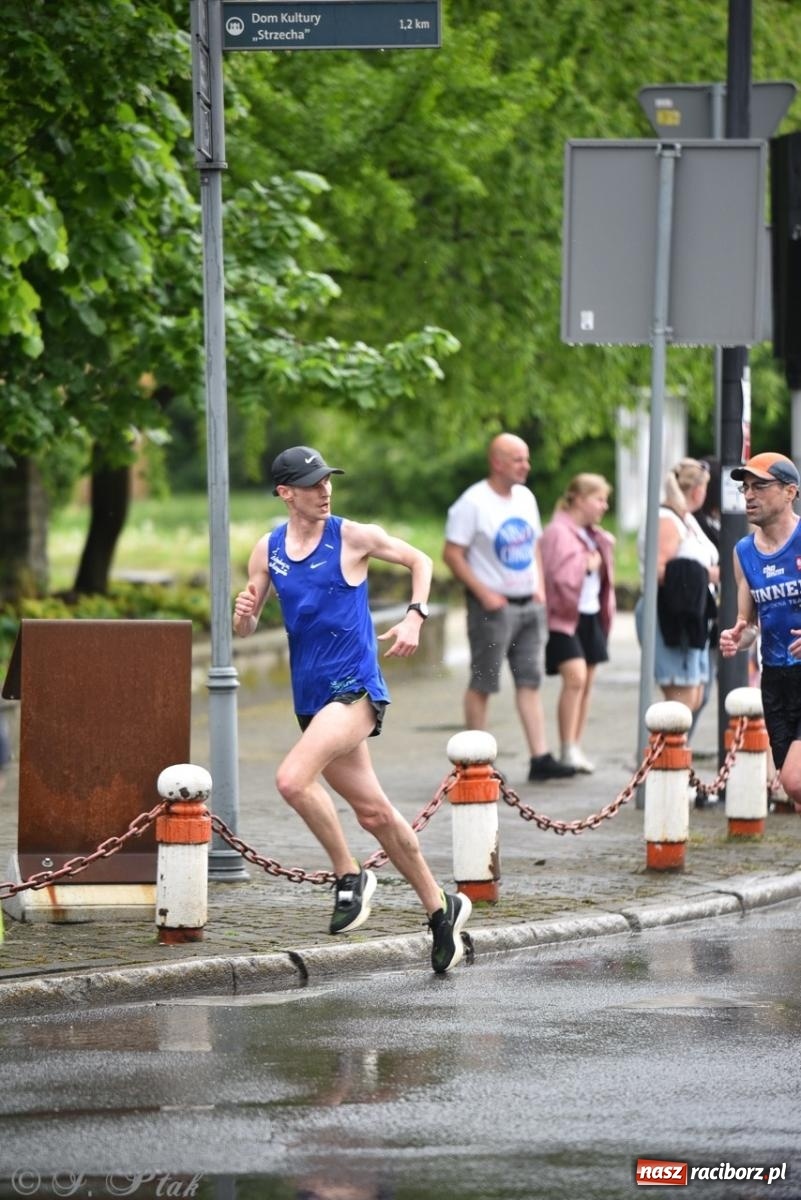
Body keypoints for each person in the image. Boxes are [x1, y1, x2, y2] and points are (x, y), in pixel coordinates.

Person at [233, 445, 472, 974]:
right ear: (285, 493)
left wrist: (414, 616)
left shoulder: (352, 535)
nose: (325, 490)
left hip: (355, 689)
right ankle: (442, 909)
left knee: (292, 780)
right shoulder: (267, 550)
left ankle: (350, 875)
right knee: (375, 813)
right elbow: (246, 625)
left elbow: (420, 559)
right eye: (313, 483)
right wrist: (244, 615)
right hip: (312, 699)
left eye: (328, 481)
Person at [443, 432, 575, 782]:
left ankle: (540, 758)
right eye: (518, 459)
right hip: (492, 610)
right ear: (497, 462)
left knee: (529, 680)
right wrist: (484, 593)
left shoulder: (525, 498)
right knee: (484, 681)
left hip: (529, 605)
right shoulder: (472, 503)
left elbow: (532, 546)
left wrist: (540, 588)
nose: (526, 466)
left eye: (526, 458)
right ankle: (474, 760)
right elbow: (451, 554)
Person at [719, 451, 801, 813]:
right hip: (777, 680)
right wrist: (740, 636)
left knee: (793, 780)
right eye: (745, 488)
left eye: (760, 486)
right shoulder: (744, 552)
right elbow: (749, 623)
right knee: (796, 791)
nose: (749, 495)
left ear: (790, 492)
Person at [539, 474, 616, 774]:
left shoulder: (590, 533)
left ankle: (575, 745)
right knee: (575, 678)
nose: (604, 506)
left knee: (587, 683)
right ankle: (566, 746)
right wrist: (585, 566)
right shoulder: (558, 531)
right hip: (564, 617)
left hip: (590, 614)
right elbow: (555, 574)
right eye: (599, 499)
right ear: (579, 499)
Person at [636, 457, 720, 721]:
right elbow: (658, 570)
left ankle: (674, 760)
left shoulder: (687, 519)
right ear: (698, 490)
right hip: (669, 613)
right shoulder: (666, 519)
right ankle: (660, 761)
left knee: (692, 697)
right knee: (678, 701)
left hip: (692, 614)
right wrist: (708, 574)